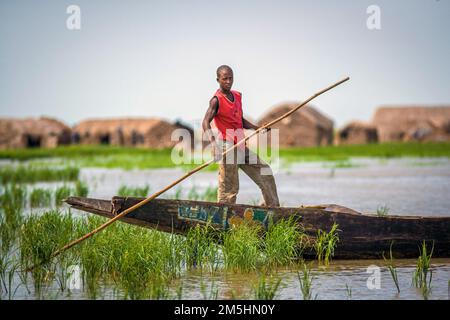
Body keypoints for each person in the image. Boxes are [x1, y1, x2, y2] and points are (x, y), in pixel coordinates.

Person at [202, 65, 280, 206]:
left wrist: (257, 128)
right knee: (229, 188)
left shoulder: (237, 96)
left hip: (241, 144)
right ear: (218, 79)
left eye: (230, 78)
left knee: (265, 172)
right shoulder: (216, 100)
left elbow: (240, 120)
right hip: (227, 146)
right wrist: (214, 145)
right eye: (224, 78)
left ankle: (274, 209)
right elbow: (205, 122)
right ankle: (223, 216)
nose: (228, 81)